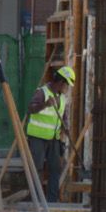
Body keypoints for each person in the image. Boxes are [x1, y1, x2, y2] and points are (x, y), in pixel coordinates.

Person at [23, 65, 75, 200]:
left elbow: (63, 116)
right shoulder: (42, 93)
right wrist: (45, 104)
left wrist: (66, 127)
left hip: (54, 139)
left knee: (55, 169)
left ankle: (52, 201)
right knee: (37, 168)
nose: (67, 88)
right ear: (61, 82)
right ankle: (36, 199)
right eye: (66, 85)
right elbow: (30, 109)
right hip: (38, 137)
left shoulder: (62, 97)